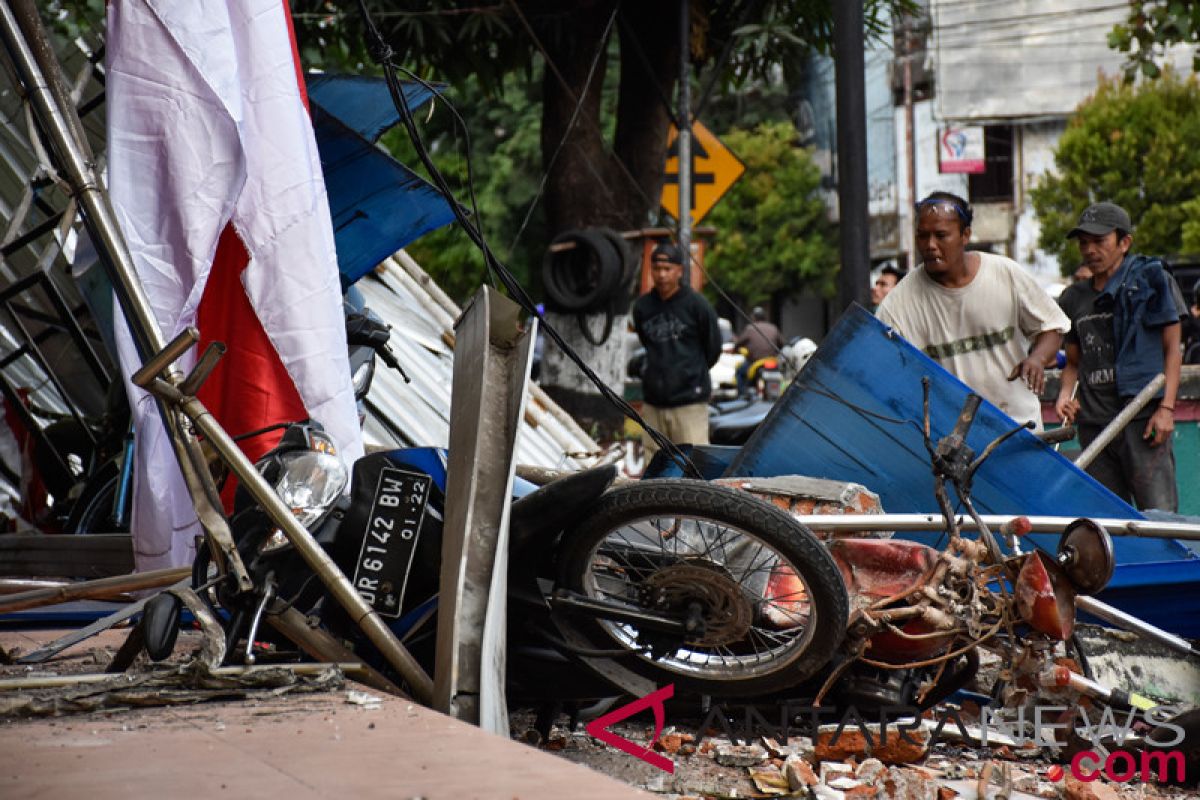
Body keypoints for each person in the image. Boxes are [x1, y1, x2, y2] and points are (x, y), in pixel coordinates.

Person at [877, 191, 1070, 429]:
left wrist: (1037, 359)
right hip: (950, 444)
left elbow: (1052, 327)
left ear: (965, 235)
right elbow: (881, 369)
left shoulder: (1005, 273)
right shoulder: (898, 304)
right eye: (922, 236)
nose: (930, 245)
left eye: (941, 235)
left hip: (1019, 430)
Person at [1054, 202, 1181, 511]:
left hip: (1141, 418)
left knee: (1160, 518)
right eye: (1084, 242)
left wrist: (1166, 408)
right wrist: (1064, 397)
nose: (1090, 250)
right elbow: (1072, 362)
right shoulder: (1074, 297)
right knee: (1108, 520)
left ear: (1124, 242)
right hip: (1095, 426)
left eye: (1100, 241)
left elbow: (1172, 349)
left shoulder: (1149, 281)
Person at [631, 242, 722, 459]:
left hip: (689, 403)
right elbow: (647, 345)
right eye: (657, 269)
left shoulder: (697, 305)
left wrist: (689, 372)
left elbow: (713, 348)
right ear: (651, 270)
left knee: (693, 467)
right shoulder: (642, 307)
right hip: (654, 404)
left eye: (667, 269)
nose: (662, 275)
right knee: (654, 467)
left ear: (680, 271)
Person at [733, 306, 784, 394]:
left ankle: (742, 395)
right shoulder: (773, 327)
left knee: (740, 373)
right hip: (772, 361)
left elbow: (738, 344)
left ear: (754, 317)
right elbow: (782, 344)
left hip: (755, 362)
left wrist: (735, 349)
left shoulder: (750, 328)